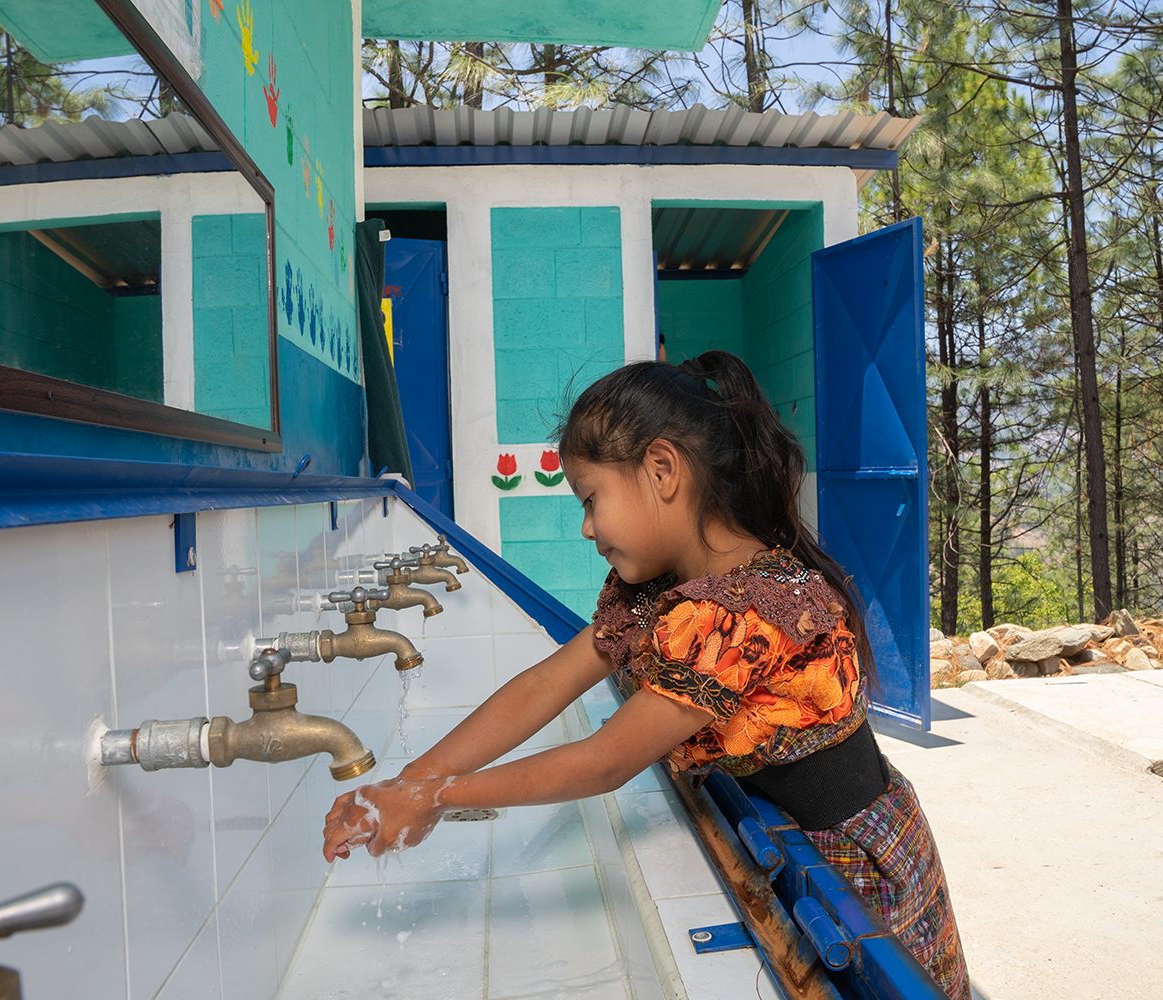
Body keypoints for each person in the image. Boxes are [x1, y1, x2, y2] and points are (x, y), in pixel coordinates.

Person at [321, 351, 970, 999]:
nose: (586, 528)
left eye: (591, 499)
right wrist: (411, 783)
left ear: (662, 470)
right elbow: (545, 684)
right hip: (801, 847)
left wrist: (436, 797)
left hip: (852, 867)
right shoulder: (659, 594)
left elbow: (605, 760)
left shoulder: (741, 612)